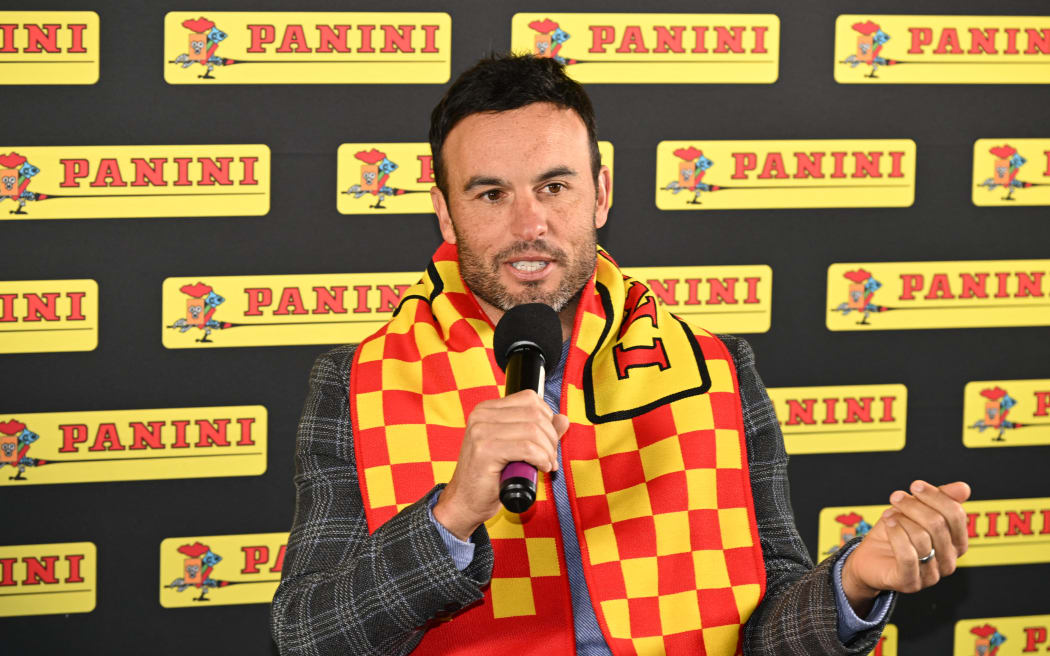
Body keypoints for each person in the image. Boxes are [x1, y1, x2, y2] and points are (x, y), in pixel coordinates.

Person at [271, 54, 971, 656]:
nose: (529, 224)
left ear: (601, 195)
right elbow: (305, 637)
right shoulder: (355, 382)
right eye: (490, 193)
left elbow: (764, 631)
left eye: (554, 187)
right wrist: (450, 516)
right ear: (445, 214)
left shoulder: (716, 370)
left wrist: (854, 583)